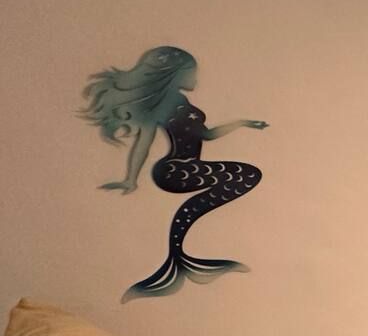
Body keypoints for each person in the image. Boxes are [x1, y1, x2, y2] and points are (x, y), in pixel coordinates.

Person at [82, 46, 267, 300]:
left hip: (187, 168)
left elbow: (207, 135)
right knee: (245, 175)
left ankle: (178, 254)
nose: (195, 80)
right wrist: (130, 179)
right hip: (176, 170)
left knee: (247, 175)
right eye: (192, 73)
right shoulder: (166, 103)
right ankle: (178, 252)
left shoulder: (180, 102)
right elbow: (144, 142)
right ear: (176, 74)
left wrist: (243, 123)